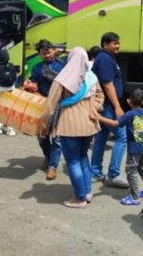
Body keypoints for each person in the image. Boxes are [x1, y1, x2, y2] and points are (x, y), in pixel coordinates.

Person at [40, 47, 104, 209]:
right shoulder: (91, 77)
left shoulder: (62, 79)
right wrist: (93, 108)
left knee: (73, 162)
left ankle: (80, 198)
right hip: (89, 124)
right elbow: (100, 96)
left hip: (70, 125)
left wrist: (44, 126)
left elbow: (49, 107)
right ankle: (87, 192)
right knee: (83, 157)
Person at [97, 89, 143, 205]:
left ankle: (135, 197)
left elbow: (115, 124)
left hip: (134, 149)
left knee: (131, 171)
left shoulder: (129, 115)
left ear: (128, 101)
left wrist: (99, 118)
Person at [90, 32, 129, 188]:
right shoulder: (105, 59)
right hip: (108, 106)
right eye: (114, 43)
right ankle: (113, 174)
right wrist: (118, 107)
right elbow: (108, 84)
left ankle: (95, 172)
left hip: (105, 105)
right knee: (122, 136)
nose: (117, 45)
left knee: (101, 137)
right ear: (105, 44)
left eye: (118, 42)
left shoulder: (107, 58)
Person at [24, 39, 65, 180]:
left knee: (58, 138)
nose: (47, 55)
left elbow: (80, 54)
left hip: (61, 104)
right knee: (42, 137)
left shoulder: (62, 64)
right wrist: (30, 85)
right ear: (39, 54)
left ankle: (52, 166)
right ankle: (48, 157)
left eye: (48, 52)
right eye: (43, 53)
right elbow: (34, 84)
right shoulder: (36, 68)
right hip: (43, 105)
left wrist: (63, 51)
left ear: (53, 50)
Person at [0, 49, 18, 136]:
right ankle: (11, 130)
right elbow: (14, 78)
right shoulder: (12, 66)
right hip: (11, 88)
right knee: (11, 108)